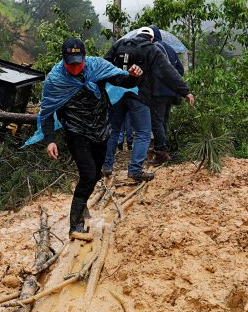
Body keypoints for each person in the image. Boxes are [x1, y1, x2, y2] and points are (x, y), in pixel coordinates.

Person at [23, 37, 142, 236]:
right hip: (76, 131)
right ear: (64, 60)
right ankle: (75, 225)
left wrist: (134, 76)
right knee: (88, 174)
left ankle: (83, 202)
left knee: (95, 174)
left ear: (85, 58)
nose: (76, 68)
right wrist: (50, 139)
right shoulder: (56, 80)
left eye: (79, 63)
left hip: (101, 128)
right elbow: (47, 112)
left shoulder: (97, 67)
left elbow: (122, 80)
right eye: (71, 64)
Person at [102, 27, 194, 180]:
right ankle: (135, 170)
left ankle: (106, 166)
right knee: (143, 133)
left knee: (114, 130)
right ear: (151, 38)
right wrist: (185, 91)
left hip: (117, 95)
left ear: (137, 35)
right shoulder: (152, 49)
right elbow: (168, 71)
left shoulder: (120, 44)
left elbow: (104, 64)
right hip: (139, 95)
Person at [149, 25, 187, 164]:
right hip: (170, 93)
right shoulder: (169, 48)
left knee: (156, 122)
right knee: (164, 120)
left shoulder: (155, 48)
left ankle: (161, 153)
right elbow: (180, 70)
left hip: (159, 92)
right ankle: (164, 149)